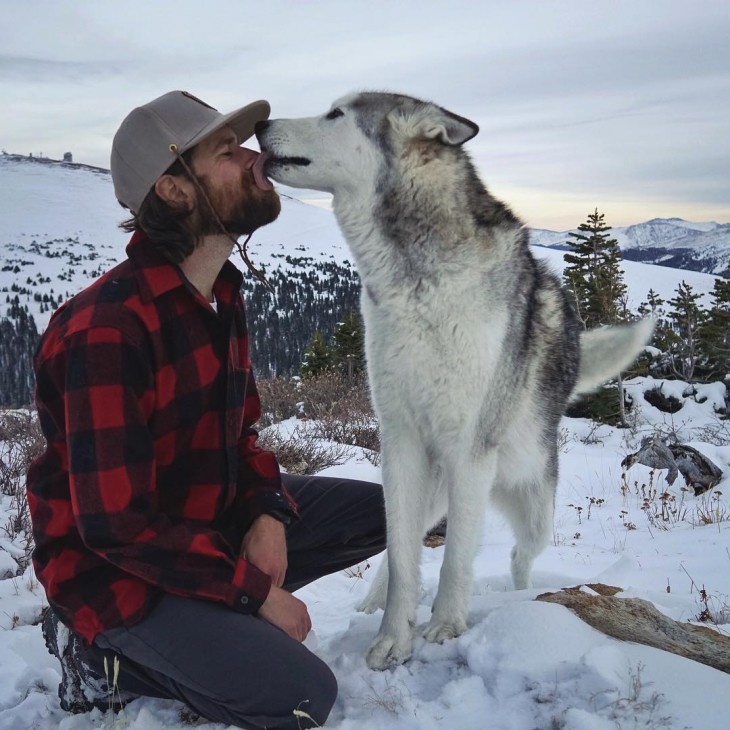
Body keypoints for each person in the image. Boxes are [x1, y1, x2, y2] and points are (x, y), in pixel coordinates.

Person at [26, 90, 386, 729]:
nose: (256, 158)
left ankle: (213, 622)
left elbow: (240, 436)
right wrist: (253, 594)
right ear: (174, 189)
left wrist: (268, 513)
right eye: (227, 150)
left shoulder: (218, 297)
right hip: (117, 575)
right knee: (302, 697)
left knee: (384, 513)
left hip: (199, 526)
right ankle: (97, 658)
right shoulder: (106, 329)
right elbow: (116, 525)